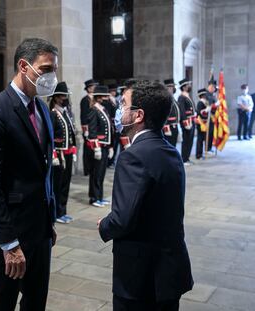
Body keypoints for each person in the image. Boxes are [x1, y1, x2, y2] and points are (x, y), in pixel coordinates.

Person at [0, 38, 58, 311]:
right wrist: (9, 243)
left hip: (39, 229)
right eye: (45, 69)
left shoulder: (42, 108)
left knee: (36, 301)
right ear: (24, 66)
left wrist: (49, 221)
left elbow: (41, 170)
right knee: (3, 303)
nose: (51, 77)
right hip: (9, 232)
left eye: (54, 69)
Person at [97, 79, 194, 311]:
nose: (119, 110)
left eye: (123, 104)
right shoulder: (171, 152)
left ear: (138, 115)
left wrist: (104, 225)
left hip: (141, 277)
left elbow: (122, 219)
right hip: (169, 271)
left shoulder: (133, 156)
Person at [49, 81, 76, 224]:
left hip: (68, 153)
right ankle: (56, 213)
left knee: (66, 183)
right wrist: (53, 154)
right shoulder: (53, 114)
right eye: (63, 96)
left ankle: (62, 211)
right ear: (56, 98)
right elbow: (50, 137)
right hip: (59, 156)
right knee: (57, 185)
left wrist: (74, 149)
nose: (65, 98)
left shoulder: (65, 113)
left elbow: (71, 134)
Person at [87, 85, 114, 208]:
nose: (105, 98)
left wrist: (110, 146)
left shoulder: (103, 109)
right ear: (98, 97)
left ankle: (100, 197)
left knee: (102, 173)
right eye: (103, 96)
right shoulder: (94, 110)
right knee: (96, 173)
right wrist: (96, 147)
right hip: (98, 147)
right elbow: (92, 131)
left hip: (104, 146)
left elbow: (108, 129)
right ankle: (94, 197)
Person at [80, 79, 99, 176]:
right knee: (87, 148)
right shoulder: (85, 100)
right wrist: (85, 130)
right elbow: (83, 116)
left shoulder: (95, 99)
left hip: (94, 127)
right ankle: (87, 168)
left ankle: (92, 166)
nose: (94, 88)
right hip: (87, 127)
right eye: (92, 86)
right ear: (88, 88)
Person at [178, 78, 196, 165]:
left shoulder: (187, 95)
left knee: (190, 140)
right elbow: (182, 110)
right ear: (184, 87)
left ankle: (187, 158)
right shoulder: (181, 97)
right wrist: (185, 122)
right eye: (188, 85)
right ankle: (184, 159)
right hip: (187, 122)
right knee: (186, 140)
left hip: (191, 121)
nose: (190, 86)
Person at [162, 79, 180, 147]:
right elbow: (163, 114)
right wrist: (166, 128)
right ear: (168, 88)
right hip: (169, 127)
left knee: (173, 145)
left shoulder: (172, 98)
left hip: (174, 126)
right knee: (169, 145)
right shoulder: (165, 99)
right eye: (172, 87)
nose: (174, 89)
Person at [195, 88, 210, 159]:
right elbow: (199, 113)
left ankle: (201, 153)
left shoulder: (206, 102)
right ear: (202, 95)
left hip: (205, 122)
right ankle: (198, 154)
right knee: (200, 139)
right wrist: (206, 111)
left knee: (203, 139)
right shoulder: (200, 103)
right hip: (201, 123)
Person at [206, 79, 219, 151]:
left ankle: (210, 147)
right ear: (210, 87)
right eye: (213, 88)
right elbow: (208, 105)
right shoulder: (207, 95)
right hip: (208, 116)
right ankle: (207, 148)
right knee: (209, 133)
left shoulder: (213, 95)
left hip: (213, 116)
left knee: (212, 132)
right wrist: (215, 104)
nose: (214, 89)